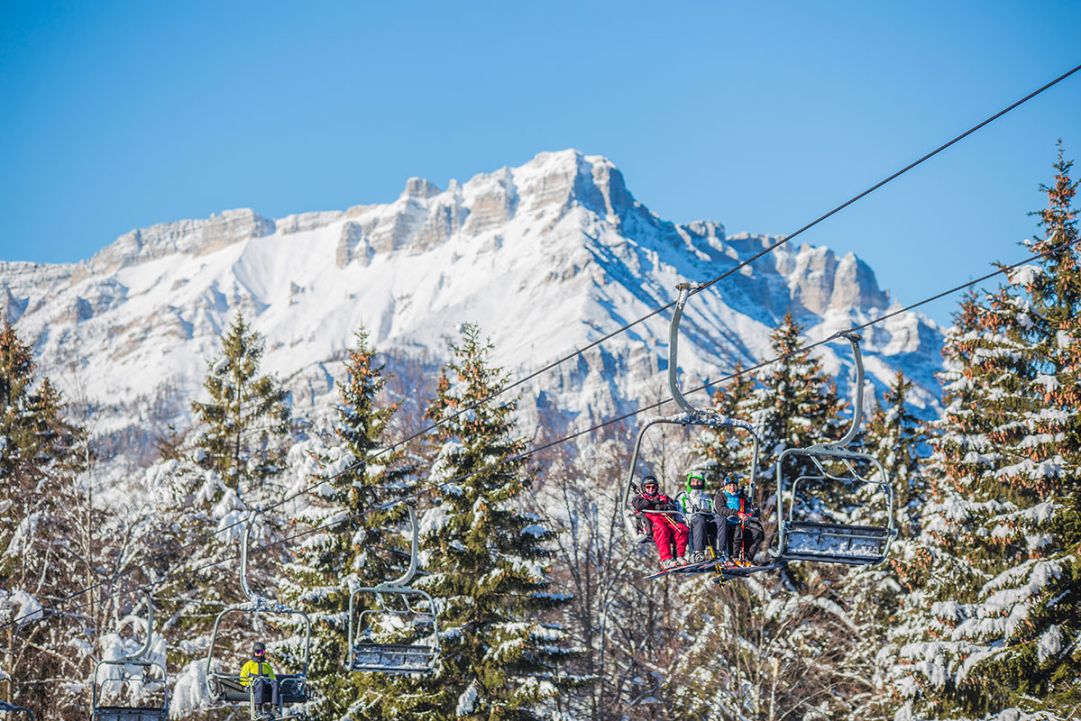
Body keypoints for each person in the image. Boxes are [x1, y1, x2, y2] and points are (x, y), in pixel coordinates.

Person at [632, 475, 690, 569]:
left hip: (666, 520)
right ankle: (665, 559)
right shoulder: (640, 498)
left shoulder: (662, 497)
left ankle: (679, 556)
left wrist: (663, 506)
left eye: (653, 487)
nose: (651, 489)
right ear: (643, 488)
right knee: (661, 528)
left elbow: (672, 506)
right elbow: (637, 505)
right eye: (648, 487)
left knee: (682, 529)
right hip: (651, 522)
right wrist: (651, 502)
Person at [714, 475, 765, 566]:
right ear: (725, 486)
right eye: (729, 485)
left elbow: (749, 508)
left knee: (757, 534)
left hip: (741, 523)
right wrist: (736, 514)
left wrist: (753, 512)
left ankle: (748, 558)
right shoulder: (721, 496)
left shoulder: (740, 497)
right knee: (738, 531)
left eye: (734, 485)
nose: (732, 488)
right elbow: (721, 510)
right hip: (726, 524)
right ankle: (734, 557)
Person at [675, 469, 720, 563]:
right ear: (689, 482)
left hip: (705, 524)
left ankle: (721, 553)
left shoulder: (707, 498)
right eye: (693, 481)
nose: (696, 483)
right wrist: (693, 515)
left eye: (699, 481)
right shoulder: (683, 497)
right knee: (699, 519)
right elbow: (678, 515)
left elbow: (714, 513)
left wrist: (709, 515)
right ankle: (697, 553)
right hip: (689, 523)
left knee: (721, 521)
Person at [240, 642, 279, 719]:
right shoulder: (249, 664)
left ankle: (274, 708)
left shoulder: (266, 665)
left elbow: (272, 678)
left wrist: (271, 682)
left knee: (275, 683)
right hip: (252, 687)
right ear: (254, 652)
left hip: (264, 687)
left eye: (262, 652)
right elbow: (242, 678)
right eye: (258, 652)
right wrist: (249, 683)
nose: (260, 654)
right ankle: (258, 710)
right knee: (260, 682)